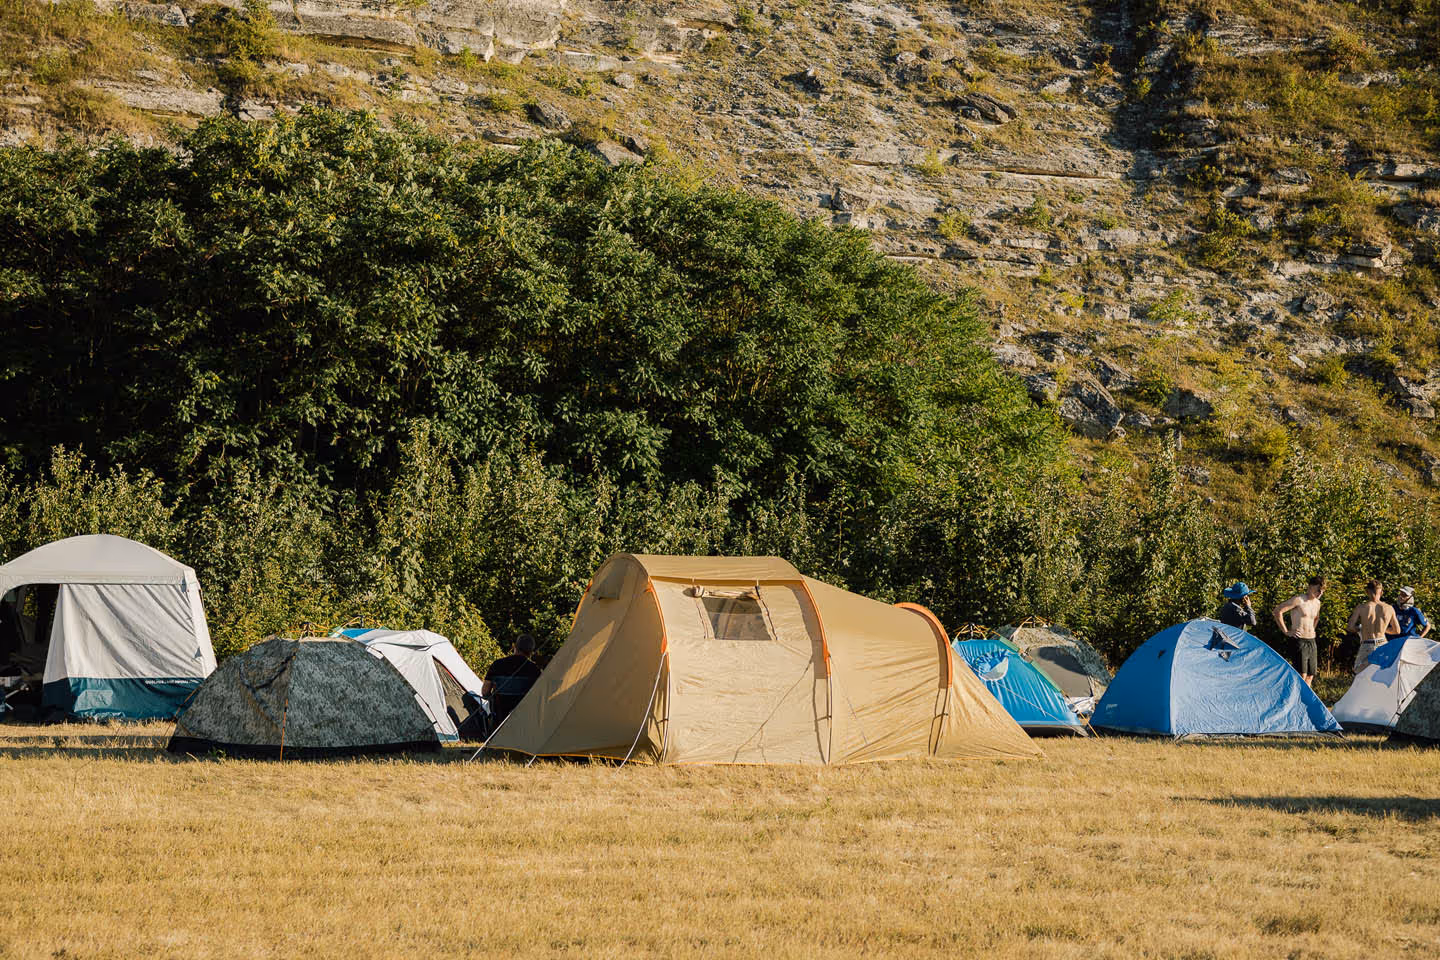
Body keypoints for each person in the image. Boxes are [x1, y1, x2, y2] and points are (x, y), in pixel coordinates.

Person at [482, 632, 543, 731]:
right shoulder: (534, 669)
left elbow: (485, 692)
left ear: (515, 647)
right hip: (524, 718)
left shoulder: (497, 664)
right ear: (531, 651)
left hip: (500, 716)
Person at [1272, 576, 1326, 687]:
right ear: (1310, 587)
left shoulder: (1317, 603)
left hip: (1311, 640)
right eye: (1318, 590)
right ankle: (1294, 701)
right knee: (1301, 675)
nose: (1320, 594)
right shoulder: (1299, 600)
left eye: (1322, 591)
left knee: (1310, 675)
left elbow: (1316, 618)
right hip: (1299, 640)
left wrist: (1312, 629)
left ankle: (1304, 703)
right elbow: (1278, 611)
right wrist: (1286, 631)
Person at [1346, 580, 1400, 674]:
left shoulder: (1361, 608)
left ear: (1367, 591)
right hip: (1383, 643)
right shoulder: (1389, 608)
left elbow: (1350, 627)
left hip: (1367, 644)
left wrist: (1360, 629)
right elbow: (1397, 630)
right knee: (1382, 674)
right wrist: (1383, 630)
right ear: (1381, 592)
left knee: (1360, 674)